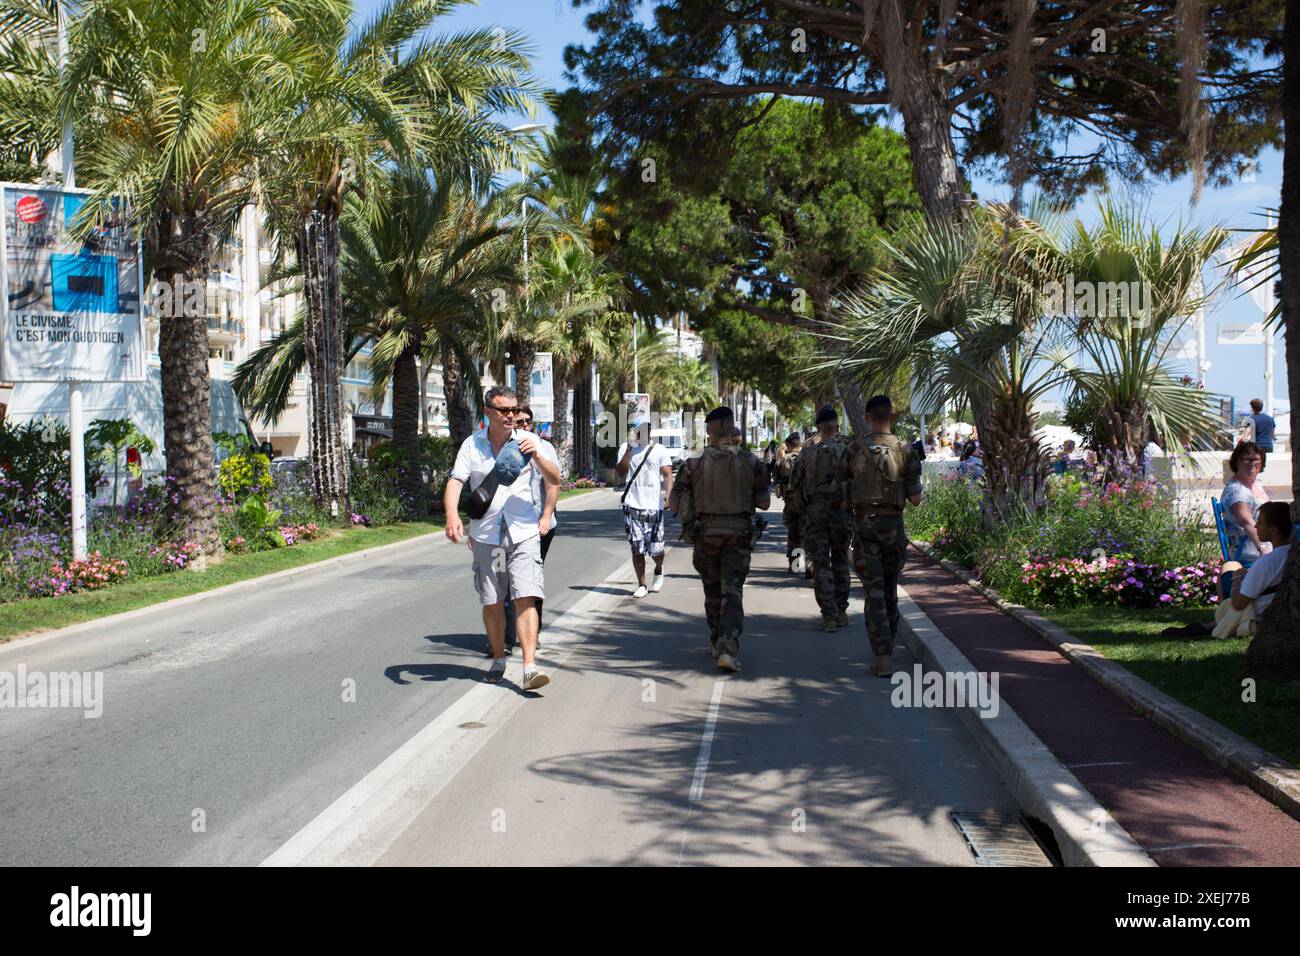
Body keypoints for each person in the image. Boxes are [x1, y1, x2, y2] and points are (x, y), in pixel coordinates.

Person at [444, 385, 559, 690]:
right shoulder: (472, 445)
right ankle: (498, 657)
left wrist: (538, 456)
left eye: (513, 410)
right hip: (486, 534)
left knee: (525, 597)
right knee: (493, 601)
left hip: (523, 531)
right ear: (488, 412)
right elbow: (456, 481)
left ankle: (530, 666)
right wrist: (452, 516)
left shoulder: (528, 441)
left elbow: (555, 479)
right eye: (504, 410)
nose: (511, 416)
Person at [668, 406, 770, 672]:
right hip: (738, 535)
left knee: (712, 591)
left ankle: (716, 641)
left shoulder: (693, 463)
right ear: (731, 426)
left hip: (705, 534)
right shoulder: (752, 461)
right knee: (732, 592)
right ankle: (728, 648)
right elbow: (765, 502)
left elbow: (674, 503)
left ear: (709, 429)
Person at [840, 394, 923, 677]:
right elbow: (916, 499)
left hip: (864, 527)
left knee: (873, 592)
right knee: (889, 589)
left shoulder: (854, 448)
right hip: (893, 528)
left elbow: (840, 486)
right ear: (892, 416)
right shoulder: (905, 449)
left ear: (866, 417)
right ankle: (887, 648)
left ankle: (882, 655)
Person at [1165, 501, 1293, 640]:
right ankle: (1205, 627)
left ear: (1273, 530)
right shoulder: (1292, 554)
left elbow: (1239, 604)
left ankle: (1212, 624)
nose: (1256, 526)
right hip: (1272, 607)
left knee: (1230, 566)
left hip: (1254, 615)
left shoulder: (1267, 562)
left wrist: (1238, 578)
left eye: (1260, 523)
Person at [498, 405, 558, 652]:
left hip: (538, 525)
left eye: (527, 422)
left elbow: (553, 484)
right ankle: (506, 638)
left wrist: (546, 516)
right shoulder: (502, 446)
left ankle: (533, 633)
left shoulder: (543, 447)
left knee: (531, 582)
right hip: (505, 527)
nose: (523, 426)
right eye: (519, 422)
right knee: (505, 582)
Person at [793, 404, 853, 631]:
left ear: (818, 426)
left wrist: (800, 511)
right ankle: (841, 610)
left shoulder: (808, 451)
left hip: (816, 511)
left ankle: (828, 616)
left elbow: (795, 483)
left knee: (820, 563)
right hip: (842, 511)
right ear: (836, 424)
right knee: (840, 560)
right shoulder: (849, 448)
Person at [617, 417, 674, 598]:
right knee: (637, 547)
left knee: (656, 549)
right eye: (639, 429)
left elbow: (667, 474)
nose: (643, 432)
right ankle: (641, 584)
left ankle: (658, 568)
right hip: (632, 505)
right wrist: (629, 450)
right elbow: (620, 472)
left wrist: (669, 495)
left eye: (646, 429)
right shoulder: (626, 449)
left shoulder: (659, 450)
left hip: (653, 507)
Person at [1221, 441, 1271, 566]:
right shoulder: (1238, 491)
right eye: (1247, 460)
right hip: (1251, 554)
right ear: (1237, 461)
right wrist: (1265, 549)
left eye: (1256, 459)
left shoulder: (1255, 485)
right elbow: (1247, 523)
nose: (1252, 464)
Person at [776, 432, 805, 572]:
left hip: (791, 502)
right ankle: (810, 565)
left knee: (793, 534)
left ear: (788, 445)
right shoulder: (807, 456)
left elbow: (775, 477)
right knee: (807, 534)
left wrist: (780, 456)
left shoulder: (784, 459)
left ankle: (794, 565)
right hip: (807, 502)